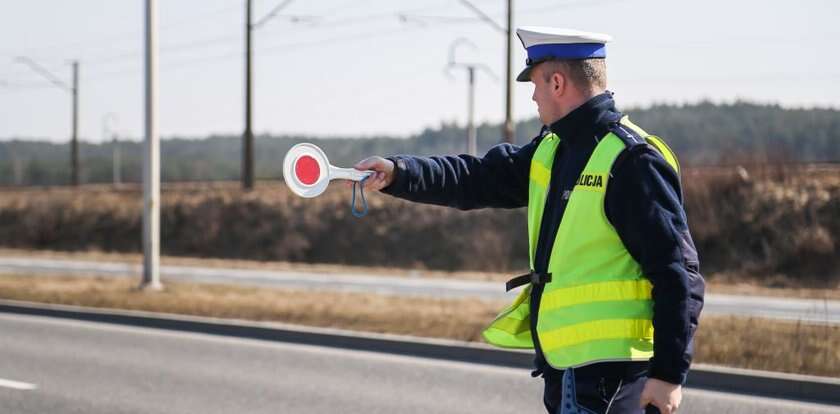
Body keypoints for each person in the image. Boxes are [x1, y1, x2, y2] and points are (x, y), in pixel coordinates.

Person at [353, 26, 705, 414]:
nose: (534, 96)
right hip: (566, 372)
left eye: (535, 84)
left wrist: (669, 374)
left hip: (612, 380)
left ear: (557, 83)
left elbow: (678, 271)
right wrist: (400, 172)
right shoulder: (552, 149)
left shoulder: (631, 160)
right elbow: (476, 178)